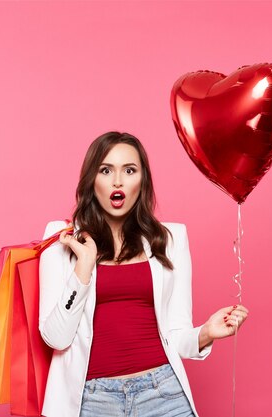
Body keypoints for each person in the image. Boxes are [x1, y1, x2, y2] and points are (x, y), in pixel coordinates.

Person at [38, 131, 249, 417]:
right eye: (105, 170)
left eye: (129, 170)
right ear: (92, 180)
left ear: (142, 180)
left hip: (163, 393)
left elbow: (174, 335)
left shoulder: (170, 239)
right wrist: (83, 268)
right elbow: (56, 338)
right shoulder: (60, 240)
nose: (118, 181)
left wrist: (205, 333)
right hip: (92, 401)